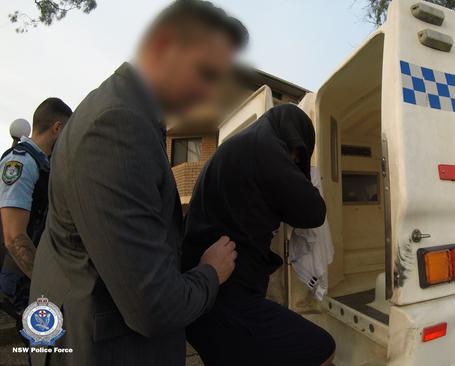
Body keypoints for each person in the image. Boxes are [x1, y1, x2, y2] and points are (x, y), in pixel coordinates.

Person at [28, 1, 247, 365]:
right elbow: (153, 306)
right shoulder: (116, 127)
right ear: (163, 46)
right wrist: (211, 271)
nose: (210, 93)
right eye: (206, 73)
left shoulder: (126, 111)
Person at [182, 104, 336, 366]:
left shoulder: (240, 145)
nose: (295, 162)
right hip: (225, 302)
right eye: (298, 155)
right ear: (291, 136)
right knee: (321, 348)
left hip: (206, 298)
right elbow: (313, 211)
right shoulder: (264, 148)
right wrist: (306, 176)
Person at [0, 98, 71, 324]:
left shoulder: (42, 165)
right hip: (15, 280)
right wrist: (44, 283)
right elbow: (14, 237)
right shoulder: (21, 162)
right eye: (67, 132)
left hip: (25, 279)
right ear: (57, 128)